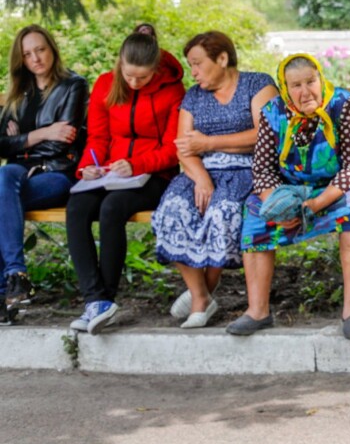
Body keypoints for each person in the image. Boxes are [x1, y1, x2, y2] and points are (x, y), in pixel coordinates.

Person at [226, 53, 350, 340]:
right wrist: (279, 207)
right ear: (285, 88)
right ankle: (258, 311)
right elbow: (263, 170)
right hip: (299, 186)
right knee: (255, 208)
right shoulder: (272, 112)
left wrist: (315, 204)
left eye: (311, 81)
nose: (306, 91)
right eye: (296, 85)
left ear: (320, 78)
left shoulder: (342, 104)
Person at [151, 31, 276, 328]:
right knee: (172, 210)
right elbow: (184, 147)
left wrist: (208, 143)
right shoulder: (194, 96)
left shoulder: (258, 84)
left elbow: (265, 134)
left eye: (197, 64)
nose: (193, 72)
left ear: (221, 58)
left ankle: (204, 292)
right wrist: (201, 178)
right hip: (201, 171)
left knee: (221, 212)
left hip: (248, 170)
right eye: (190, 65)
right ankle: (200, 296)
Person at [67, 32, 186, 334]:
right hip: (110, 173)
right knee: (77, 208)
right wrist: (88, 166)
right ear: (120, 64)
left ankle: (106, 298)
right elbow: (98, 137)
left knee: (112, 208)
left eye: (142, 78)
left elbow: (172, 149)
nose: (133, 83)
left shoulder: (172, 90)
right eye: (128, 75)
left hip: (154, 176)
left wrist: (136, 164)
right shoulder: (106, 84)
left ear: (155, 69)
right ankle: (95, 300)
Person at [0, 25, 88, 324]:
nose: (35, 58)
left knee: (2, 195)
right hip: (17, 174)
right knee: (5, 177)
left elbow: (60, 143)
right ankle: (16, 276)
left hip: (57, 173)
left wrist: (22, 138)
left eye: (40, 50)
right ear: (21, 59)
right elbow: (1, 144)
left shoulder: (73, 85)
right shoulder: (19, 92)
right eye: (27, 54)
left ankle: (6, 290)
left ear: (52, 49)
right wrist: (44, 132)